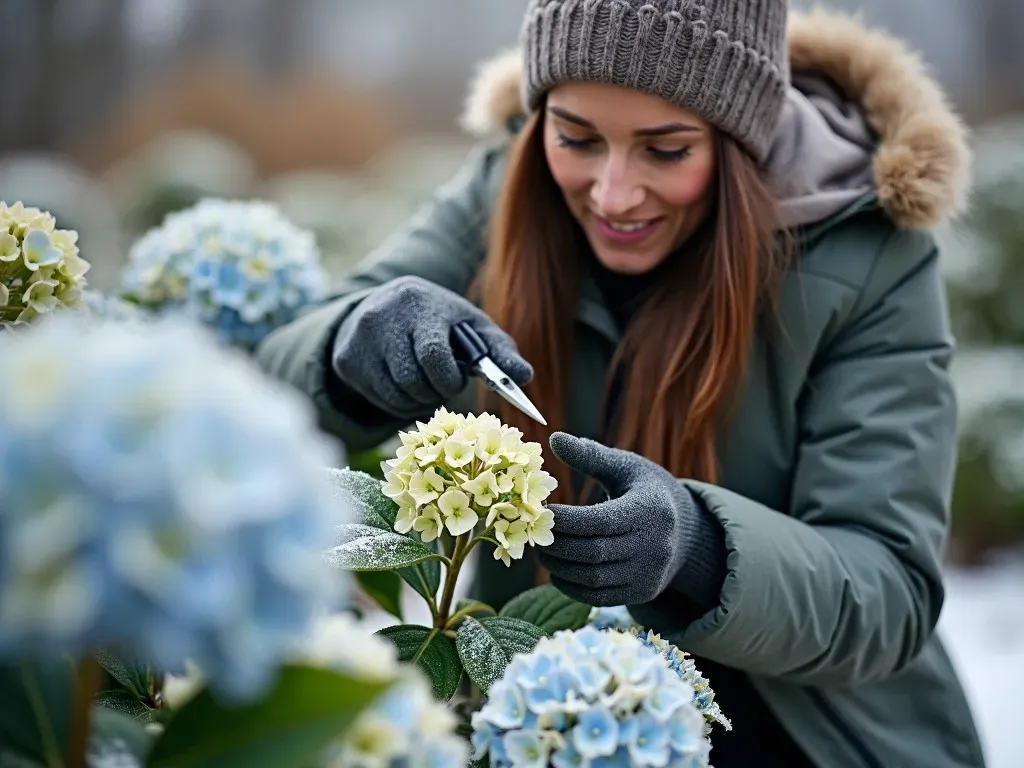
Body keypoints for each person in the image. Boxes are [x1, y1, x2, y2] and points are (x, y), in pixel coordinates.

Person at [255, 1, 985, 765]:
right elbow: (279, 375)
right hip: (538, 722)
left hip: (806, 736)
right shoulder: (506, 185)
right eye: (576, 138)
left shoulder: (870, 253)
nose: (612, 195)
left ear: (743, 139)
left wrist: (699, 549)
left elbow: (888, 594)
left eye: (665, 150)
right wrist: (354, 344)